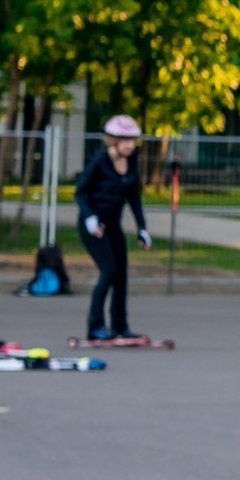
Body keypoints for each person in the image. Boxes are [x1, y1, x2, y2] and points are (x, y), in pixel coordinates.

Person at [75, 115, 149, 341]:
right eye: (125, 140)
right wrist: (90, 218)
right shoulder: (99, 161)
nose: (130, 145)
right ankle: (95, 326)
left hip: (113, 226)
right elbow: (80, 192)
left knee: (121, 275)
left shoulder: (132, 161)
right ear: (113, 140)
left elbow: (134, 197)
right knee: (108, 271)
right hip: (94, 226)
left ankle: (120, 326)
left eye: (132, 140)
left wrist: (142, 228)